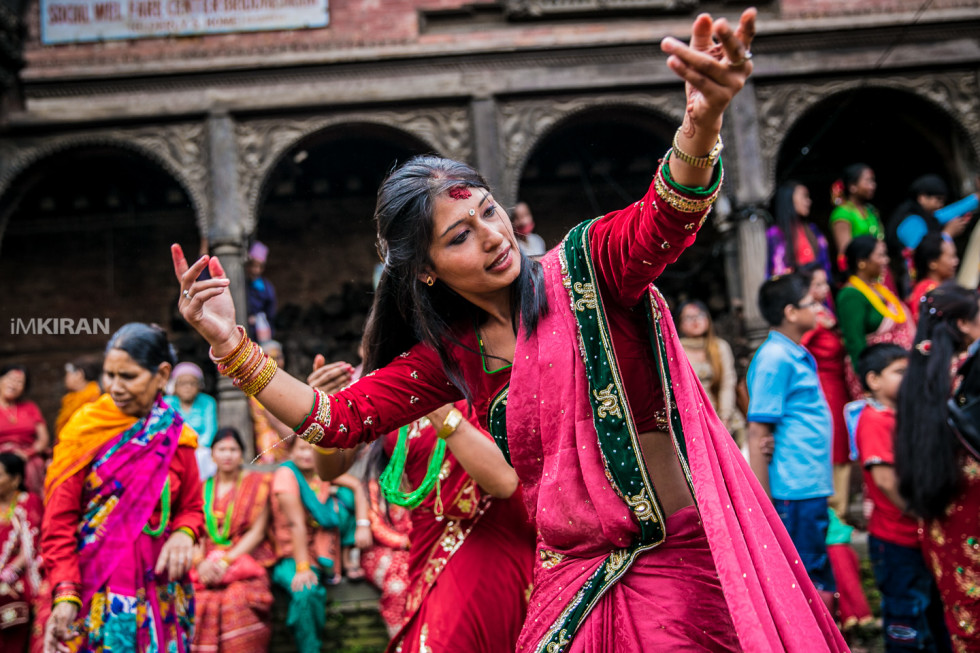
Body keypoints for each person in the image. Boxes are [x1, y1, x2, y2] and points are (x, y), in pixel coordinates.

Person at [174, 9, 847, 650]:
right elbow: (336, 421)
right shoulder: (451, 357)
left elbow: (664, 217)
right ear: (427, 271)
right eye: (460, 236)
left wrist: (702, 123)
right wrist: (228, 344)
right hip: (568, 585)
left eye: (489, 212)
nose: (494, 236)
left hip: (671, 568)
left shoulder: (589, 271)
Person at [41, 323, 203, 653]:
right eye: (109, 375)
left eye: (128, 376)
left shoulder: (175, 436)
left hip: (159, 588)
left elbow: (191, 507)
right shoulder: (84, 431)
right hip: (92, 585)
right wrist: (66, 592)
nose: (115, 387)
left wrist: (184, 533)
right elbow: (59, 520)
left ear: (162, 375)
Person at [323, 401, 535, 652]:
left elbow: (505, 483)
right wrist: (328, 408)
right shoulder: (390, 390)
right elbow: (327, 470)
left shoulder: (479, 384)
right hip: (426, 542)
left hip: (490, 536)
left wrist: (434, 403)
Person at [896, 283, 980, 652]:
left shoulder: (918, 376)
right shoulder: (967, 376)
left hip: (938, 509)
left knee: (963, 613)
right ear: (963, 324)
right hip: (973, 500)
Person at [746, 273, 836, 610]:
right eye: (810, 303)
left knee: (816, 570)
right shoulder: (774, 358)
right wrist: (764, 502)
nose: (818, 308)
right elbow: (758, 431)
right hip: (793, 488)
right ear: (791, 312)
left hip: (807, 483)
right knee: (806, 579)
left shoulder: (792, 353)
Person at [855, 344, 950, 652]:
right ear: (874, 380)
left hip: (916, 537)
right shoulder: (874, 420)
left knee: (931, 612)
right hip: (896, 538)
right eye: (899, 372)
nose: (909, 377)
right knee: (906, 616)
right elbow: (885, 481)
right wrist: (919, 512)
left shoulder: (901, 416)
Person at [268, 438, 369, 650]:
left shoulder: (321, 472)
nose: (307, 455)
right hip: (291, 555)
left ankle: (346, 559)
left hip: (320, 551)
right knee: (306, 591)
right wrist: (302, 567)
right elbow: (296, 525)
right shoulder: (286, 475)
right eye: (302, 449)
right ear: (291, 452)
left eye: (311, 450)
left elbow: (356, 486)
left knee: (345, 496)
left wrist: (362, 524)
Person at [191, 427, 275, 653]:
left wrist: (226, 561)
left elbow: (257, 532)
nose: (227, 455)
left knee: (236, 600)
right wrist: (200, 563)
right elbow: (195, 530)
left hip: (245, 559)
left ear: (242, 454)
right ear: (212, 454)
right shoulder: (201, 488)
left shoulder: (258, 484)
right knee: (198, 601)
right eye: (222, 449)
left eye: (233, 449)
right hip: (206, 564)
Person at [797, 263, 852, 518]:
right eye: (816, 284)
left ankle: (839, 509)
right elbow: (798, 347)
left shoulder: (825, 312)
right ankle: (832, 511)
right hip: (823, 386)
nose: (824, 289)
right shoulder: (812, 319)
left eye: (824, 283)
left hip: (837, 385)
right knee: (832, 442)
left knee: (841, 442)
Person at [837, 235, 915, 397]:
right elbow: (855, 343)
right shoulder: (850, 295)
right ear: (862, 262)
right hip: (876, 378)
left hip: (895, 370)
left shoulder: (879, 289)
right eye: (880, 255)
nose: (886, 260)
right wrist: (867, 383)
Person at [886, 175, 970, 296]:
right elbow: (924, 252)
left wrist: (976, 198)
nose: (940, 205)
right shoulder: (911, 221)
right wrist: (947, 234)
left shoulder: (926, 215)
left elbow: (948, 213)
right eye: (938, 200)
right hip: (915, 281)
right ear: (922, 198)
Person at [676, 300, 745, 441]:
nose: (695, 321)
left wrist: (725, 417)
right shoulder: (676, 350)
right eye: (688, 317)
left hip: (723, 416)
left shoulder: (719, 347)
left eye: (700, 315)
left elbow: (727, 383)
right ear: (680, 324)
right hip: (693, 421)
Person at [0, 452, 43, 653]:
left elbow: (31, 545)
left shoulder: (28, 502)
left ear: (16, 479)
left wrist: (8, 573)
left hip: (17, 577)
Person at [0, 366, 50, 498]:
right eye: (10, 379)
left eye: (19, 382)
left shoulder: (30, 407)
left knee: (38, 466)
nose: (14, 384)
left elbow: (43, 438)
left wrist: (29, 453)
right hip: (2, 456)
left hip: (27, 455)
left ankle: (32, 505)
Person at [766, 181, 832, 278]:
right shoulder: (775, 234)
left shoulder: (812, 229)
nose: (809, 201)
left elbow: (824, 264)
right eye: (804, 197)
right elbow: (773, 271)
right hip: (790, 285)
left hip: (816, 284)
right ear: (788, 199)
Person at [165, 362, 218, 480]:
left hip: (200, 450)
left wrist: (197, 447)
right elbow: (165, 429)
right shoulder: (167, 402)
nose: (188, 387)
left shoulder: (208, 402)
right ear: (174, 386)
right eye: (183, 383)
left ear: (199, 386)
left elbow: (210, 430)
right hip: (174, 448)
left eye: (192, 383)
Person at [830, 163, 883, 265]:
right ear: (852, 186)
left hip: (877, 266)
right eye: (868, 181)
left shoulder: (871, 211)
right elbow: (844, 252)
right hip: (859, 269)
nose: (873, 185)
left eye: (873, 181)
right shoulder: (842, 213)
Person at [908, 232, 959, 323]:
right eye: (950, 257)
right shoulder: (930, 292)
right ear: (933, 263)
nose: (956, 262)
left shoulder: (937, 288)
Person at [54, 358, 101, 437]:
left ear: (79, 375)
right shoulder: (70, 399)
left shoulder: (94, 397)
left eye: (68, 374)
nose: (65, 378)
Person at [245, 241, 276, 342]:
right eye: (253, 266)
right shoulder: (241, 285)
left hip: (258, 334)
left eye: (260, 267)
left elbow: (270, 313)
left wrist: (257, 318)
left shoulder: (266, 288)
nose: (256, 270)